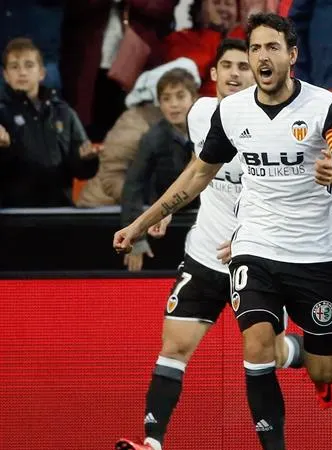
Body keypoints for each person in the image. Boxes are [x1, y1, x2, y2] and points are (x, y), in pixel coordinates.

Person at [113, 13, 332, 450]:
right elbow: (197, 174)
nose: (261, 57)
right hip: (254, 248)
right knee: (257, 349)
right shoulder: (229, 112)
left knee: (326, 370)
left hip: (316, 253)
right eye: (255, 48)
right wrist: (141, 222)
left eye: (271, 48)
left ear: (291, 56)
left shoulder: (322, 107)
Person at [114, 39, 278, 450]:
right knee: (174, 345)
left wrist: (246, 238)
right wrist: (158, 213)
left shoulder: (276, 124)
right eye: (228, 66)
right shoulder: (201, 113)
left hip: (257, 260)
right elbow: (196, 173)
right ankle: (152, 443)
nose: (236, 73)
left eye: (244, 65)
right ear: (214, 74)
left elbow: (287, 197)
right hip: (205, 253)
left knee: (268, 357)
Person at [0, 37, 99, 208]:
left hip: (60, 210)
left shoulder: (64, 113)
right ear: (6, 75)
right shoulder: (2, 113)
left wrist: (87, 160)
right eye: (15, 67)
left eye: (29, 65)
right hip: (13, 214)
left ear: (42, 73)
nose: (22, 72)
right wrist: (3, 149)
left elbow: (81, 172)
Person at [119, 68, 199, 272]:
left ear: (194, 97)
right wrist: (136, 239)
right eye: (166, 98)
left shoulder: (210, 128)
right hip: (165, 226)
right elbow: (133, 186)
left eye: (180, 96)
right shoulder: (152, 139)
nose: (173, 104)